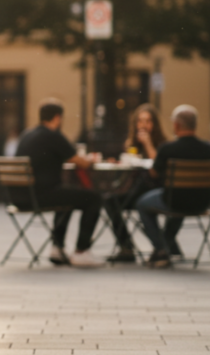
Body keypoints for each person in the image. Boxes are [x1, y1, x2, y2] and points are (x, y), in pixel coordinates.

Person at [15, 99, 104, 268]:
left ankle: (57, 248)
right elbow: (80, 162)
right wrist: (92, 160)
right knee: (94, 199)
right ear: (57, 118)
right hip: (40, 195)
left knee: (66, 196)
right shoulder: (53, 135)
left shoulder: (27, 134)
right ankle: (81, 251)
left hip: (19, 196)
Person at [135, 105, 210, 268]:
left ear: (176, 125)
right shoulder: (209, 149)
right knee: (179, 201)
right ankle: (166, 247)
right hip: (203, 203)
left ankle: (161, 248)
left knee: (142, 204)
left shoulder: (168, 148)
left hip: (174, 200)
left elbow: (154, 174)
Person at [104, 103, 169, 263]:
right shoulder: (132, 144)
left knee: (127, 198)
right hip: (135, 191)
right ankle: (126, 246)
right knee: (109, 201)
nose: (144, 125)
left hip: (154, 191)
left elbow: (157, 170)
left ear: (155, 124)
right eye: (140, 121)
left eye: (148, 121)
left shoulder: (163, 145)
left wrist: (148, 144)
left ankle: (162, 246)